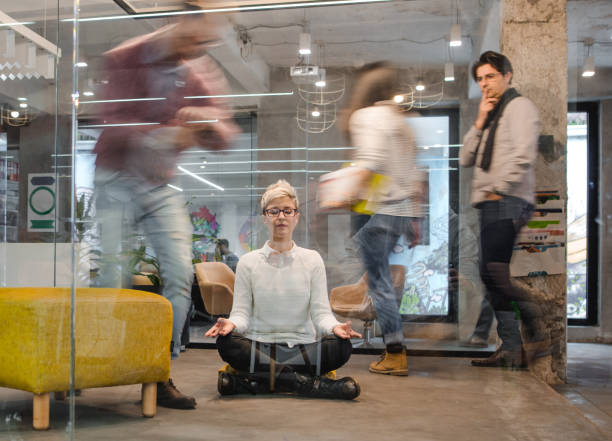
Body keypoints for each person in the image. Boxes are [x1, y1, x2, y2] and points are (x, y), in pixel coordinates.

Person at [93, 1, 239, 408]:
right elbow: (112, 122)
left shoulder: (199, 73)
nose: (201, 47)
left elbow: (227, 134)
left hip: (158, 183)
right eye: (199, 37)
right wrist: (168, 133)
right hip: (115, 177)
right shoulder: (126, 57)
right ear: (183, 17)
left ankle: (160, 370)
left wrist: (208, 124)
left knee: (178, 274)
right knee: (112, 273)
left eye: (210, 41)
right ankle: (92, 361)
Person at [205, 180, 362, 399]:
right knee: (227, 342)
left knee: (341, 346)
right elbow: (241, 314)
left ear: (296, 217)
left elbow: (321, 313)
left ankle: (255, 382)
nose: (281, 216)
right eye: (274, 211)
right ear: (264, 218)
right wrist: (231, 324)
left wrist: (336, 327)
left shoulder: (312, 259)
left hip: (302, 349)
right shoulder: (248, 262)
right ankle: (310, 384)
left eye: (287, 211)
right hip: (260, 347)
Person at [460, 51, 548, 368]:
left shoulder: (519, 107)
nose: (484, 83)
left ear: (507, 75)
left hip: (507, 201)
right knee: (490, 274)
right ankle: (511, 347)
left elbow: (523, 155)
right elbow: (465, 157)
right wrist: (480, 120)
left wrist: (497, 188)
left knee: (495, 273)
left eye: (490, 76)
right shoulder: (493, 114)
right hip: (490, 203)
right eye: (480, 79)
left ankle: (535, 323)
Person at [339, 62, 426, 376]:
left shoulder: (368, 116)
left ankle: (394, 351)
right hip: (401, 213)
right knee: (383, 281)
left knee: (379, 283)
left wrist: (338, 196)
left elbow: (369, 162)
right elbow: (415, 176)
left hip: (382, 211)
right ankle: (395, 346)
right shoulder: (401, 122)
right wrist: (416, 222)